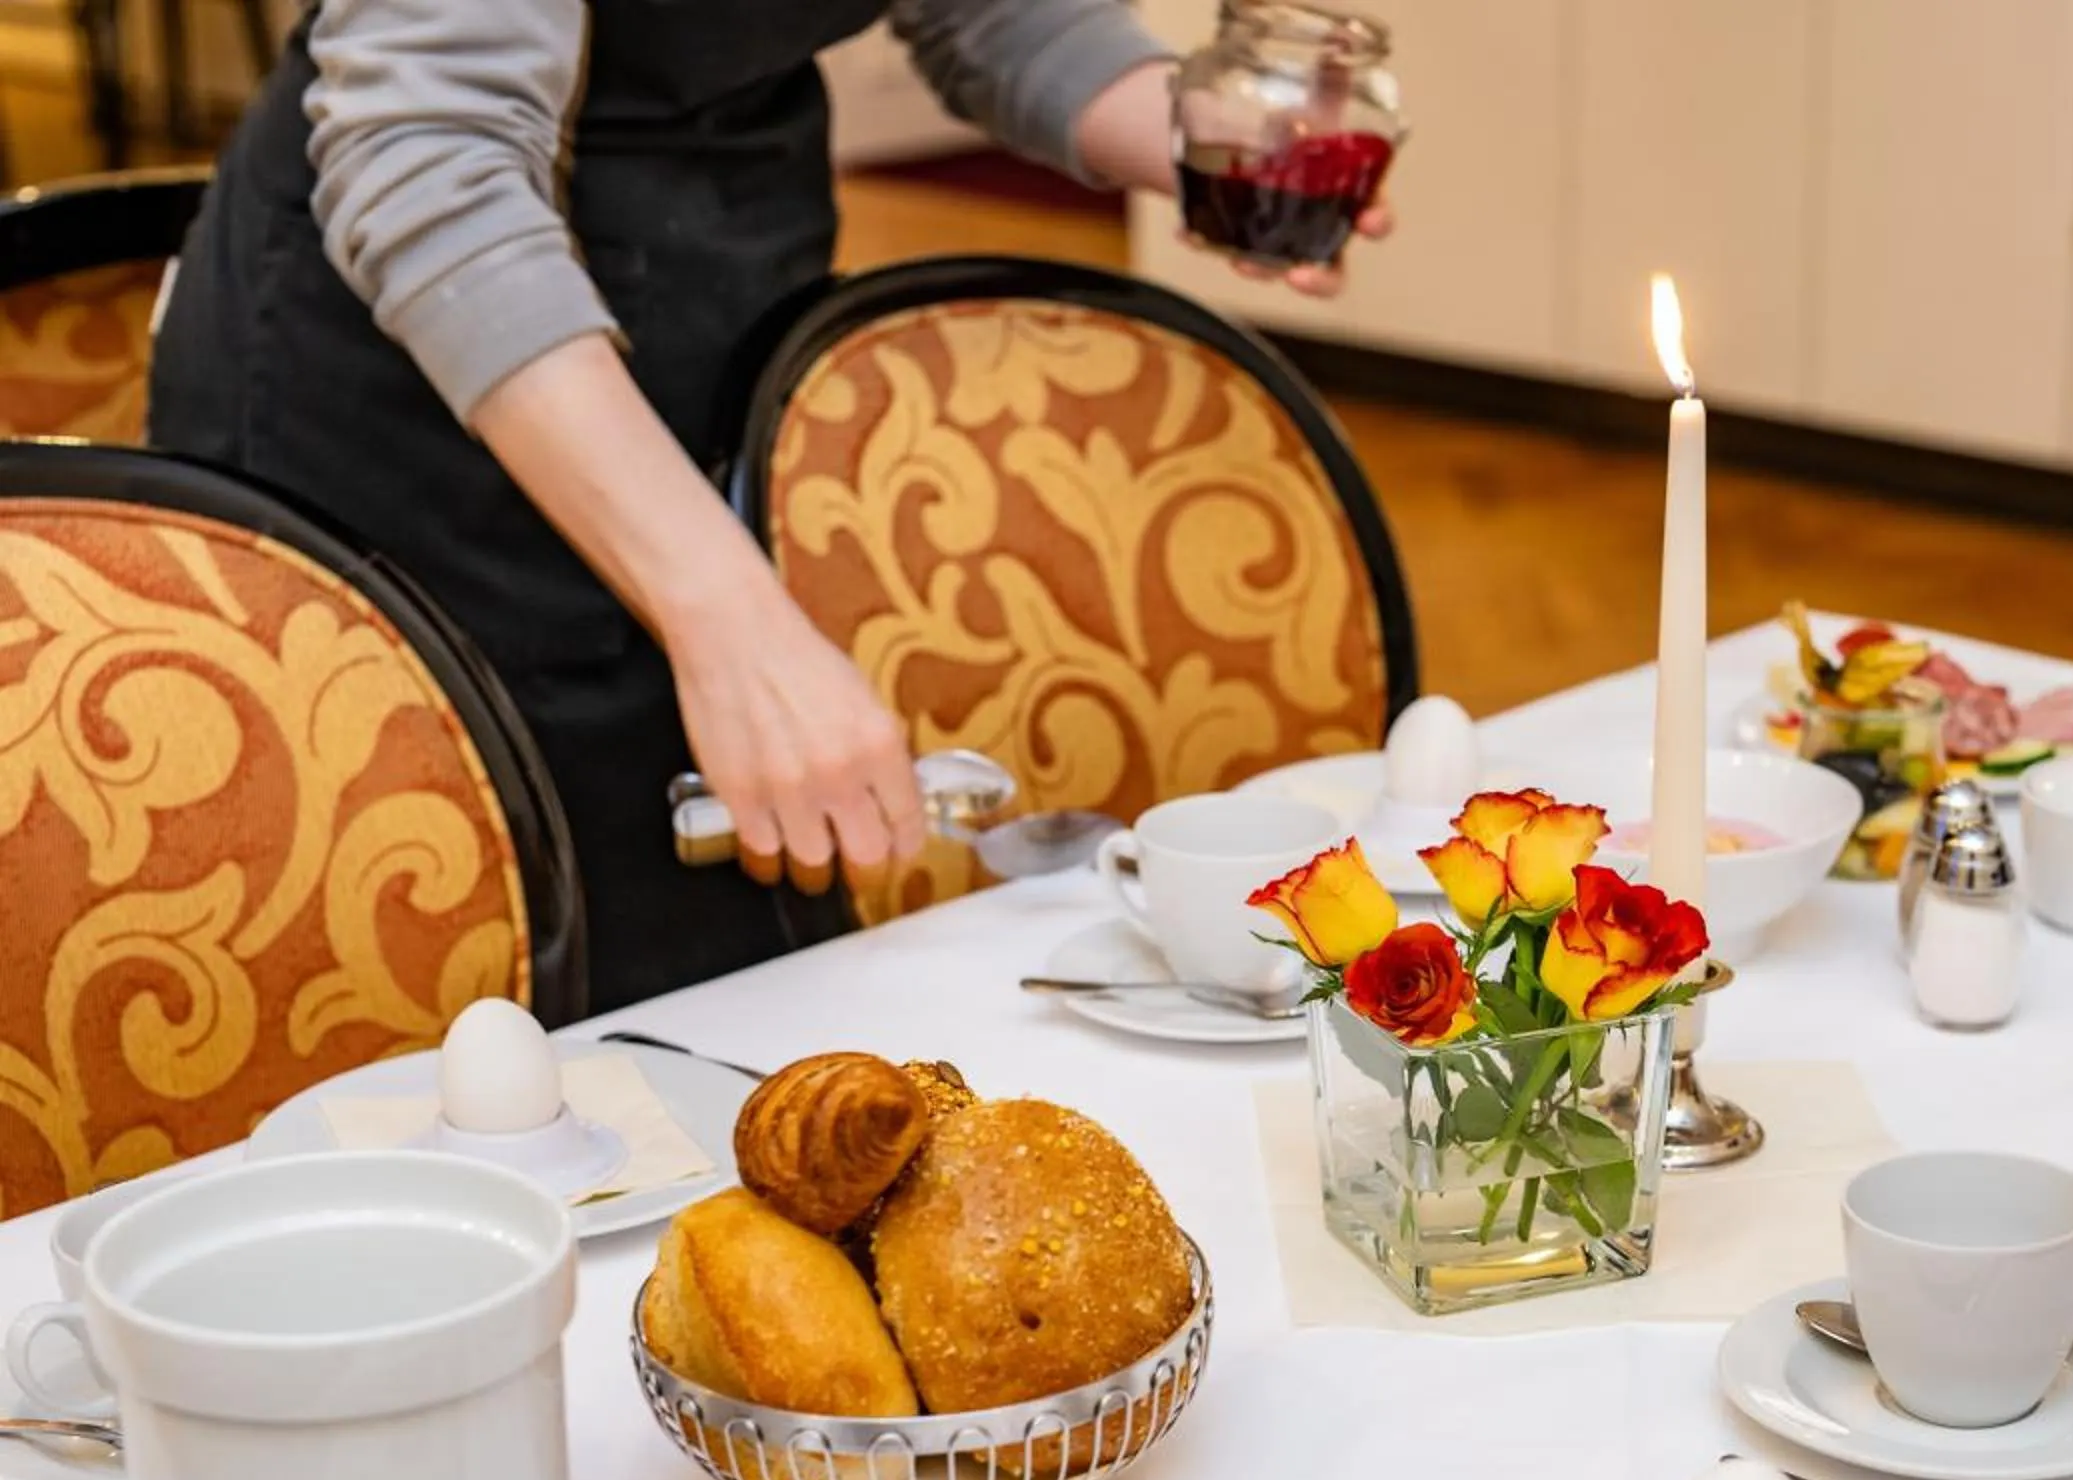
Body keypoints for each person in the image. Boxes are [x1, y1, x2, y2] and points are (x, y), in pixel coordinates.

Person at [150, 1, 1385, 1009]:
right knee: (489, 989)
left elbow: (991, 14)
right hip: (417, 389)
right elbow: (425, 156)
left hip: (715, 278)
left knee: (721, 983)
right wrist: (730, 615)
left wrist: (1201, 142)